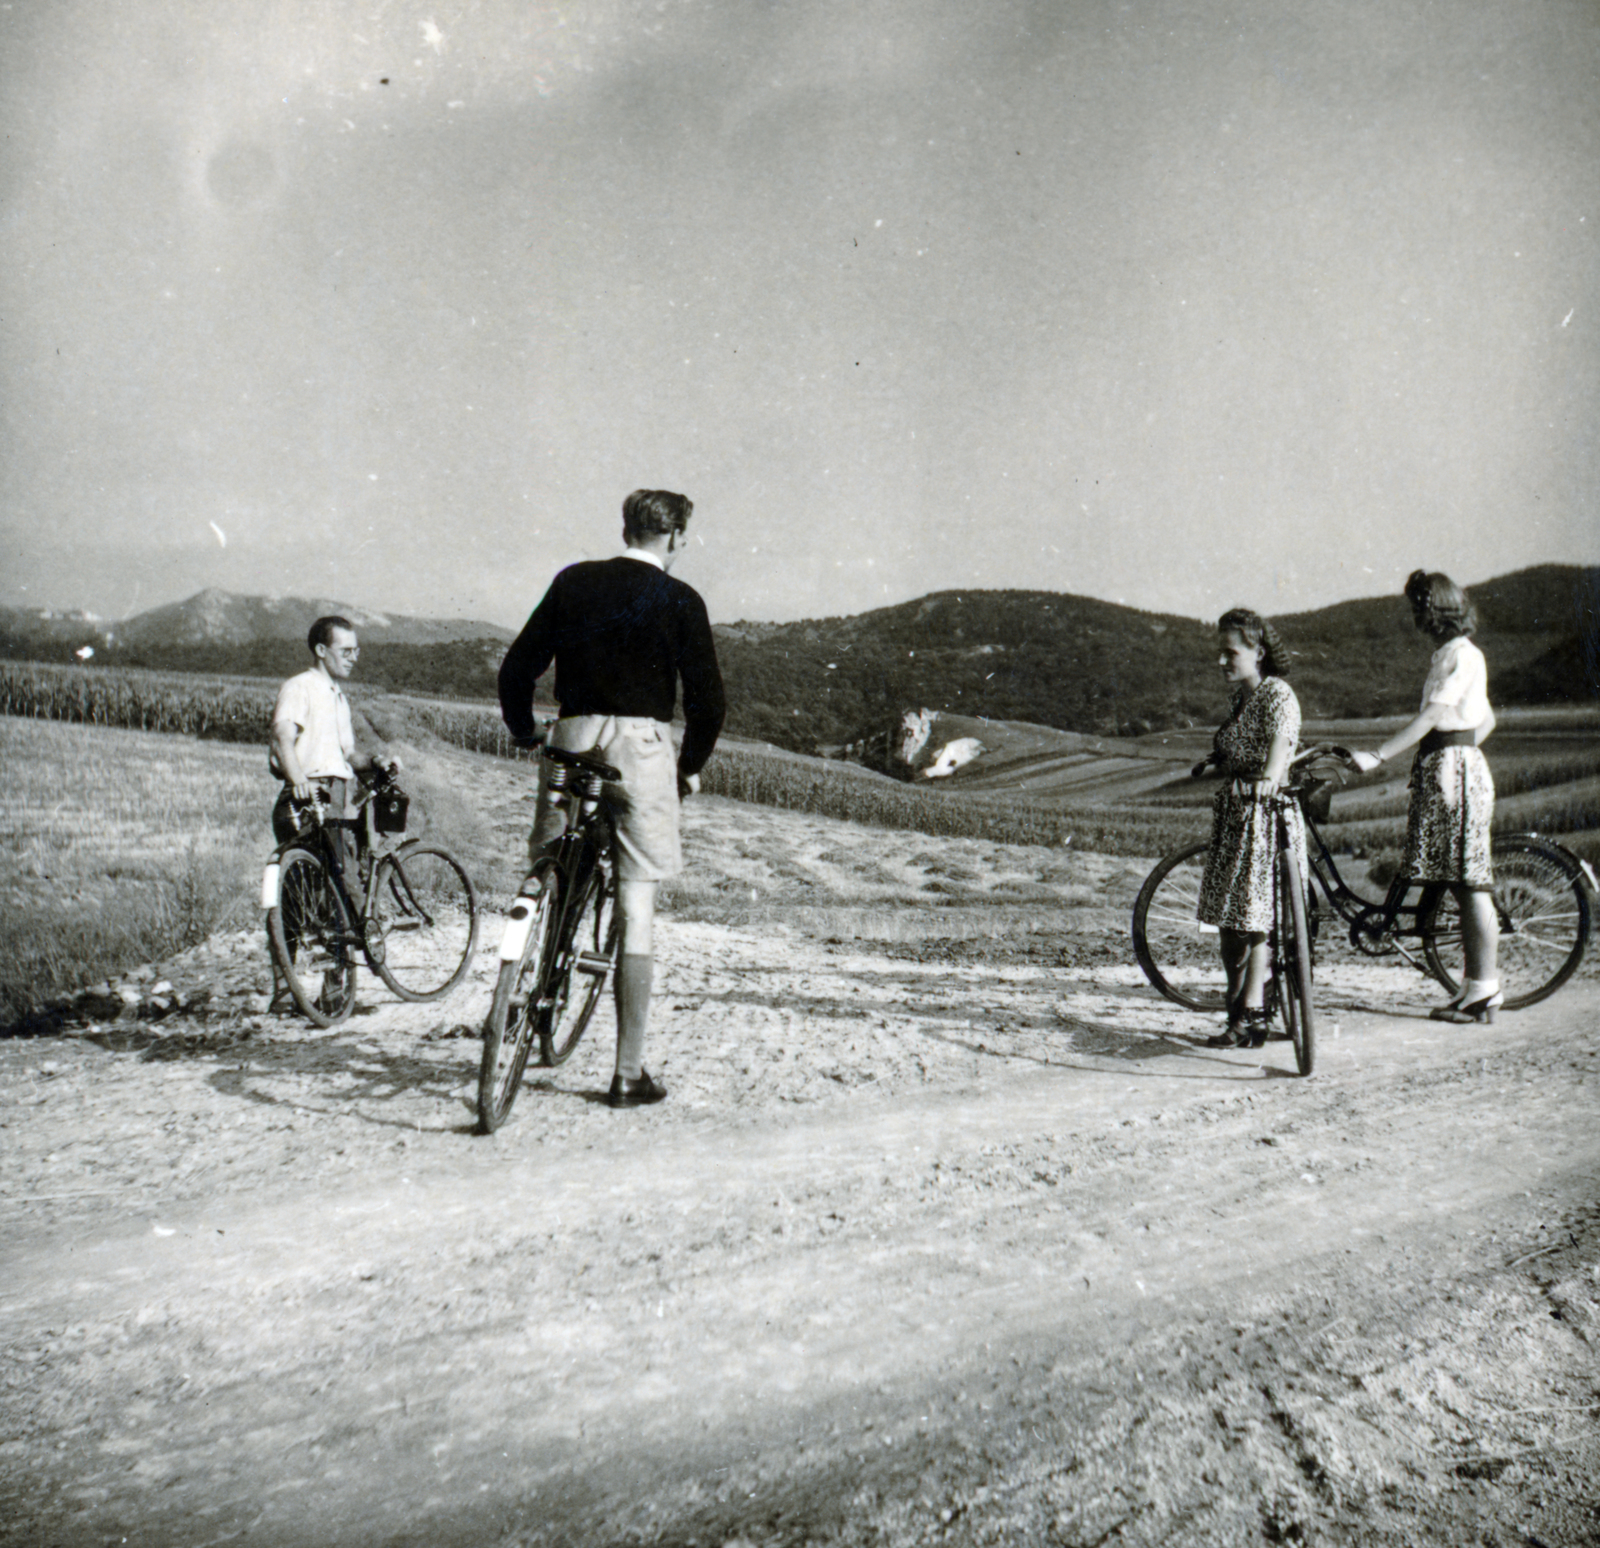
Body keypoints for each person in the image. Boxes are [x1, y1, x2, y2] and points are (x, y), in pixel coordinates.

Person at [498, 489, 726, 1108]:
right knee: (635, 904)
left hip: (571, 739)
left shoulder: (574, 581)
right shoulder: (680, 599)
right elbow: (709, 702)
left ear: (625, 528)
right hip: (642, 748)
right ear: (675, 537)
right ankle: (627, 1074)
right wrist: (687, 767)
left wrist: (526, 732)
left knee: (550, 865)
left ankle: (531, 1002)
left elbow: (517, 668)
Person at [1350, 570, 1499, 1023]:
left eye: (1421, 609)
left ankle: (1485, 990)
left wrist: (1377, 755)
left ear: (1436, 613)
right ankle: (1475, 988)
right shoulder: (1457, 654)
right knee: (1460, 877)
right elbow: (1487, 720)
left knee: (1470, 881)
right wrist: (1461, 754)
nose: (1419, 618)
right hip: (1453, 767)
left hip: (1451, 772)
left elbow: (1434, 716)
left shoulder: (1457, 656)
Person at [268, 616, 398, 1007]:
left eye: (356, 650)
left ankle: (333, 990)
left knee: (332, 888)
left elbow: (346, 755)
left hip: (339, 796)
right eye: (346, 650)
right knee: (303, 894)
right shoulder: (300, 687)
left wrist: (375, 760)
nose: (353, 657)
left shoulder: (338, 696)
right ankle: (287, 990)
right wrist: (298, 782)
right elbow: (282, 737)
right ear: (321, 651)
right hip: (310, 796)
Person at [1193, 608, 1305, 1049]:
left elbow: (1282, 741)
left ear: (1258, 651)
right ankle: (1240, 1005)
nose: (1222, 661)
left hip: (1264, 816)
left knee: (1253, 921)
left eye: (1230, 652)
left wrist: (1269, 778)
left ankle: (1249, 1014)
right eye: (1219, 653)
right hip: (1234, 819)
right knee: (1228, 924)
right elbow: (1241, 744)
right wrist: (1215, 761)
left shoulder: (1277, 694)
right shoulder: (1240, 699)